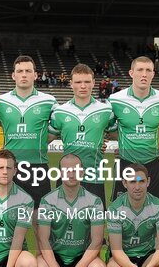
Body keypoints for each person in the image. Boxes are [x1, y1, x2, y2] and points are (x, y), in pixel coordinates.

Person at [35, 154, 107, 267]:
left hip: (81, 257)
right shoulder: (48, 200)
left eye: (75, 170)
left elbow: (97, 241)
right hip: (56, 256)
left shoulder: (94, 201)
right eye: (67, 170)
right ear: (60, 173)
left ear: (82, 172)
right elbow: (43, 240)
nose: (71, 174)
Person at [0, 55, 56, 207]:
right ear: (13, 75)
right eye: (19, 71)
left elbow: (62, 127)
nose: (24, 74)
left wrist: (42, 140)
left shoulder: (49, 101)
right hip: (10, 167)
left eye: (28, 71)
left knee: (40, 220)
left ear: (35, 75)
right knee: (9, 218)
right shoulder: (1, 102)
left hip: (38, 166)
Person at [48, 64, 116, 206]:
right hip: (67, 176)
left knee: (95, 224)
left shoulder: (106, 111)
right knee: (64, 224)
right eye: (78, 82)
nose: (83, 86)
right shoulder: (60, 112)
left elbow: (119, 135)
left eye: (86, 82)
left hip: (94, 177)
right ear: (71, 84)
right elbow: (46, 140)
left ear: (93, 83)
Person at [109, 56, 159, 201]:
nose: (144, 74)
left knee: (158, 211)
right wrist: (123, 142)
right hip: (125, 163)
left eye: (148, 70)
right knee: (121, 211)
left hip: (152, 164)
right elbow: (109, 127)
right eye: (140, 70)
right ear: (131, 73)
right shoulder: (115, 99)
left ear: (153, 74)